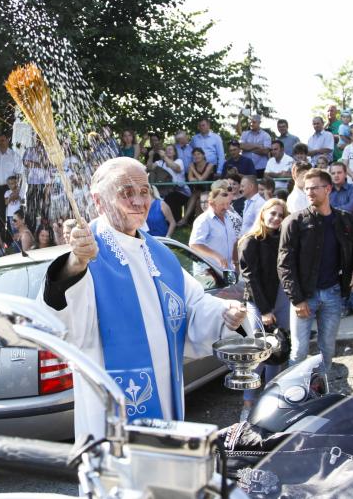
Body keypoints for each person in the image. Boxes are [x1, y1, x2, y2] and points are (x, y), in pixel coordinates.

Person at [40, 156, 246, 440]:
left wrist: (225, 312)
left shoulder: (160, 254)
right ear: (99, 201)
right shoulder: (87, 253)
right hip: (110, 414)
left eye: (144, 191)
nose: (138, 201)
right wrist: (75, 263)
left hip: (166, 396)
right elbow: (65, 324)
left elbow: (194, 305)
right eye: (126, 193)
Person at [278, 169, 353, 374]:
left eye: (314, 188)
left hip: (333, 293)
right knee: (299, 351)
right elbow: (284, 265)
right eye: (306, 188)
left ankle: (323, 388)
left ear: (327, 189)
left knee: (327, 349)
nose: (309, 192)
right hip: (304, 295)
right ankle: (295, 391)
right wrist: (296, 299)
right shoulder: (294, 222)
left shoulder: (345, 220)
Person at [238, 198, 290, 419]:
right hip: (258, 302)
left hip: (281, 298)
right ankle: (248, 403)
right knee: (258, 353)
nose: (276, 218)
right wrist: (265, 310)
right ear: (263, 213)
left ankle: (271, 400)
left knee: (278, 350)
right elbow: (250, 279)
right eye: (273, 213)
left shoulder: (283, 239)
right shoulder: (250, 241)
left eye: (280, 215)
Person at [189, 179, 237, 269]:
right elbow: (194, 244)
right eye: (222, 204)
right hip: (207, 273)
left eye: (228, 204)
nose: (226, 207)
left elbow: (234, 242)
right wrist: (216, 255)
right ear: (211, 203)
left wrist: (236, 264)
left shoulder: (228, 217)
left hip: (227, 271)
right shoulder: (203, 220)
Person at [179, 147, 214, 226]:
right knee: (197, 200)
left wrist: (193, 170)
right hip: (198, 191)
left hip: (209, 191)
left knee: (195, 195)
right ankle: (198, 224)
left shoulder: (210, 165)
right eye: (194, 155)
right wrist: (198, 178)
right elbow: (190, 179)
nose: (196, 156)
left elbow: (202, 179)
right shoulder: (192, 165)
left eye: (198, 154)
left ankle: (185, 219)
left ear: (203, 155)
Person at [329, 161, 353, 233]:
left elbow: (350, 208)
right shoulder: (326, 191)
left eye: (339, 172)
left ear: (345, 174)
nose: (336, 175)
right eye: (333, 173)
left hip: (351, 231)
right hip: (332, 229)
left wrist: (330, 211)